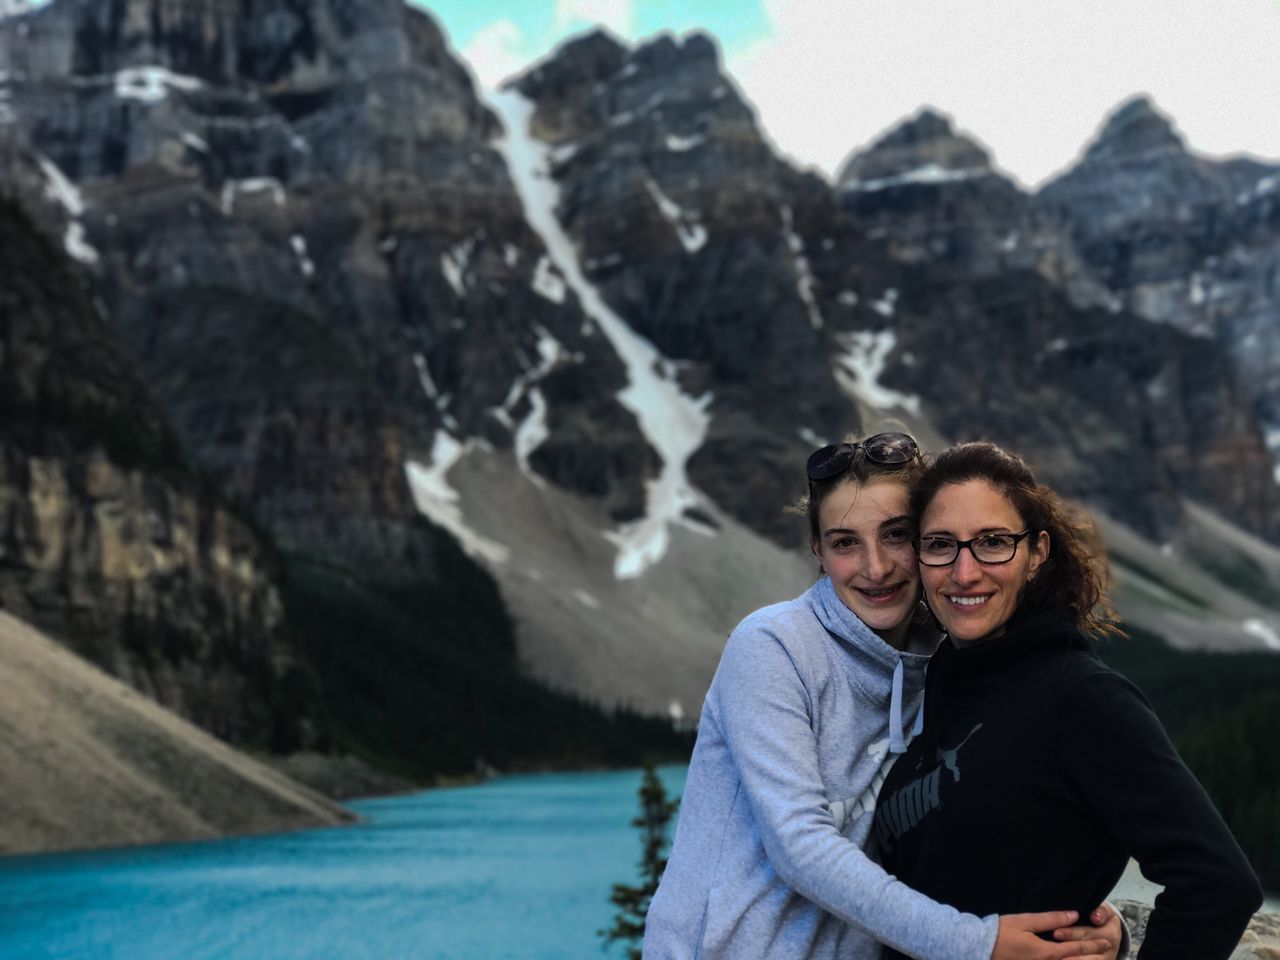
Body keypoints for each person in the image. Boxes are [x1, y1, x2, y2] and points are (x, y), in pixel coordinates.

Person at [644, 433, 1121, 960]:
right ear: (818, 551)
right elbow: (798, 845)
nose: (875, 568)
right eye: (845, 542)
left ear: (927, 539)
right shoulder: (774, 646)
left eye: (895, 535)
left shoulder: (947, 657)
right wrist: (975, 943)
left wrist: (1098, 920)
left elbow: (997, 817)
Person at [875, 441, 1264, 960]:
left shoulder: (1082, 699)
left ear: (1037, 553)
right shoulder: (942, 679)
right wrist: (1122, 930)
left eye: (993, 542)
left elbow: (1219, 884)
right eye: (940, 543)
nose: (964, 573)